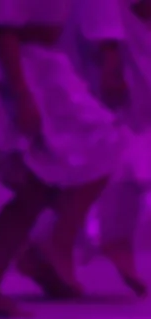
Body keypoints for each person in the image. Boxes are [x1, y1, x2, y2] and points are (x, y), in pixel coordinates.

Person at [0, 0, 126, 316]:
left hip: (42, 66)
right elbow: (4, 29)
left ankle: (49, 244)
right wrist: (22, 94)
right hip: (14, 70)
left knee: (96, 148)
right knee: (34, 186)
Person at [88, 0, 151, 295]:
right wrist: (110, 58)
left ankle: (115, 239)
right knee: (119, 146)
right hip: (119, 48)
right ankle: (115, 239)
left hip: (126, 42)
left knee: (126, 149)